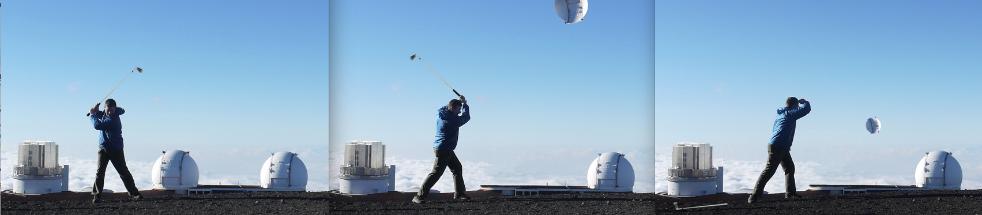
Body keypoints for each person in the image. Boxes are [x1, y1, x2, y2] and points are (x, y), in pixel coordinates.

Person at [748, 97, 811, 204]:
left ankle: (790, 194)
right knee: (769, 171)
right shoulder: (790, 114)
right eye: (796, 106)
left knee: (789, 168)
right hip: (778, 146)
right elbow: (806, 110)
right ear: (794, 106)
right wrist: (804, 102)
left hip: (779, 146)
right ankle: (754, 196)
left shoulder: (781, 113)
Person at [413, 96, 471, 204]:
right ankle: (419, 196)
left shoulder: (441, 114)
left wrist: (459, 103)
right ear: (453, 109)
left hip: (443, 147)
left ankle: (459, 193)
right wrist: (465, 105)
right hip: (444, 148)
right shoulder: (451, 120)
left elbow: (447, 107)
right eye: (458, 109)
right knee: (436, 173)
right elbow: (466, 117)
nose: (459, 112)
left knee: (457, 168)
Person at [89, 99, 143, 203]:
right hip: (103, 148)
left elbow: (97, 125)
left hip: (115, 149)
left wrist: (92, 115)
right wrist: (96, 111)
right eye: (108, 109)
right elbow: (101, 115)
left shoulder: (113, 120)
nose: (110, 111)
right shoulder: (106, 114)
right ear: (105, 108)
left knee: (123, 171)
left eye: (112, 109)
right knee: (100, 172)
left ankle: (134, 194)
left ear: (115, 109)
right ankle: (97, 196)